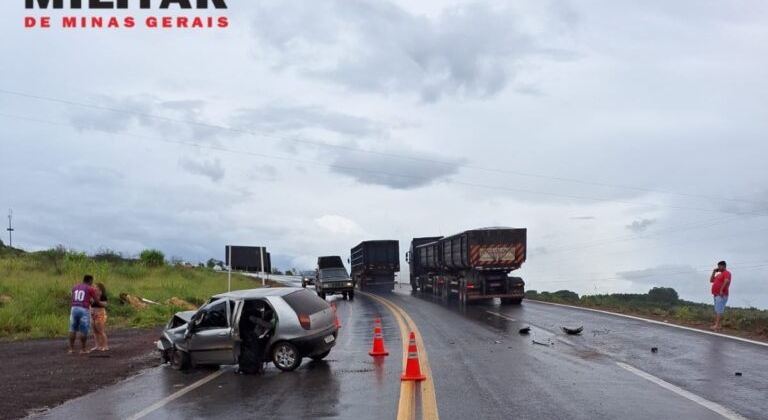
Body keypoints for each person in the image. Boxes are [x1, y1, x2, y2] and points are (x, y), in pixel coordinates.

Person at [68, 274, 100, 354]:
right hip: (83, 308)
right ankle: (83, 349)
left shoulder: (75, 287)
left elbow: (72, 297)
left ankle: (71, 349)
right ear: (90, 281)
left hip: (74, 307)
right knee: (83, 329)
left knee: (72, 329)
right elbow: (96, 300)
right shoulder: (90, 288)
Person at [709, 260, 732, 331]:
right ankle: (718, 325)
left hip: (721, 295)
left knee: (719, 310)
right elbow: (711, 280)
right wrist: (714, 272)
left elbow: (727, 281)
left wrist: (721, 290)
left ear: (723, 266)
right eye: (718, 266)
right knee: (717, 310)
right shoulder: (719, 275)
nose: (718, 268)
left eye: (719, 266)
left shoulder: (727, 273)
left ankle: (717, 326)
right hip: (716, 295)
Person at [90, 282, 109, 352]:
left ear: (100, 289)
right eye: (94, 287)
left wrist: (98, 301)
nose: (95, 289)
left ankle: (105, 346)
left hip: (100, 314)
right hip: (92, 314)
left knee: (101, 331)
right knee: (95, 331)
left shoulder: (103, 296)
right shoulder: (92, 296)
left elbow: (105, 305)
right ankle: (97, 346)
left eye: (96, 288)